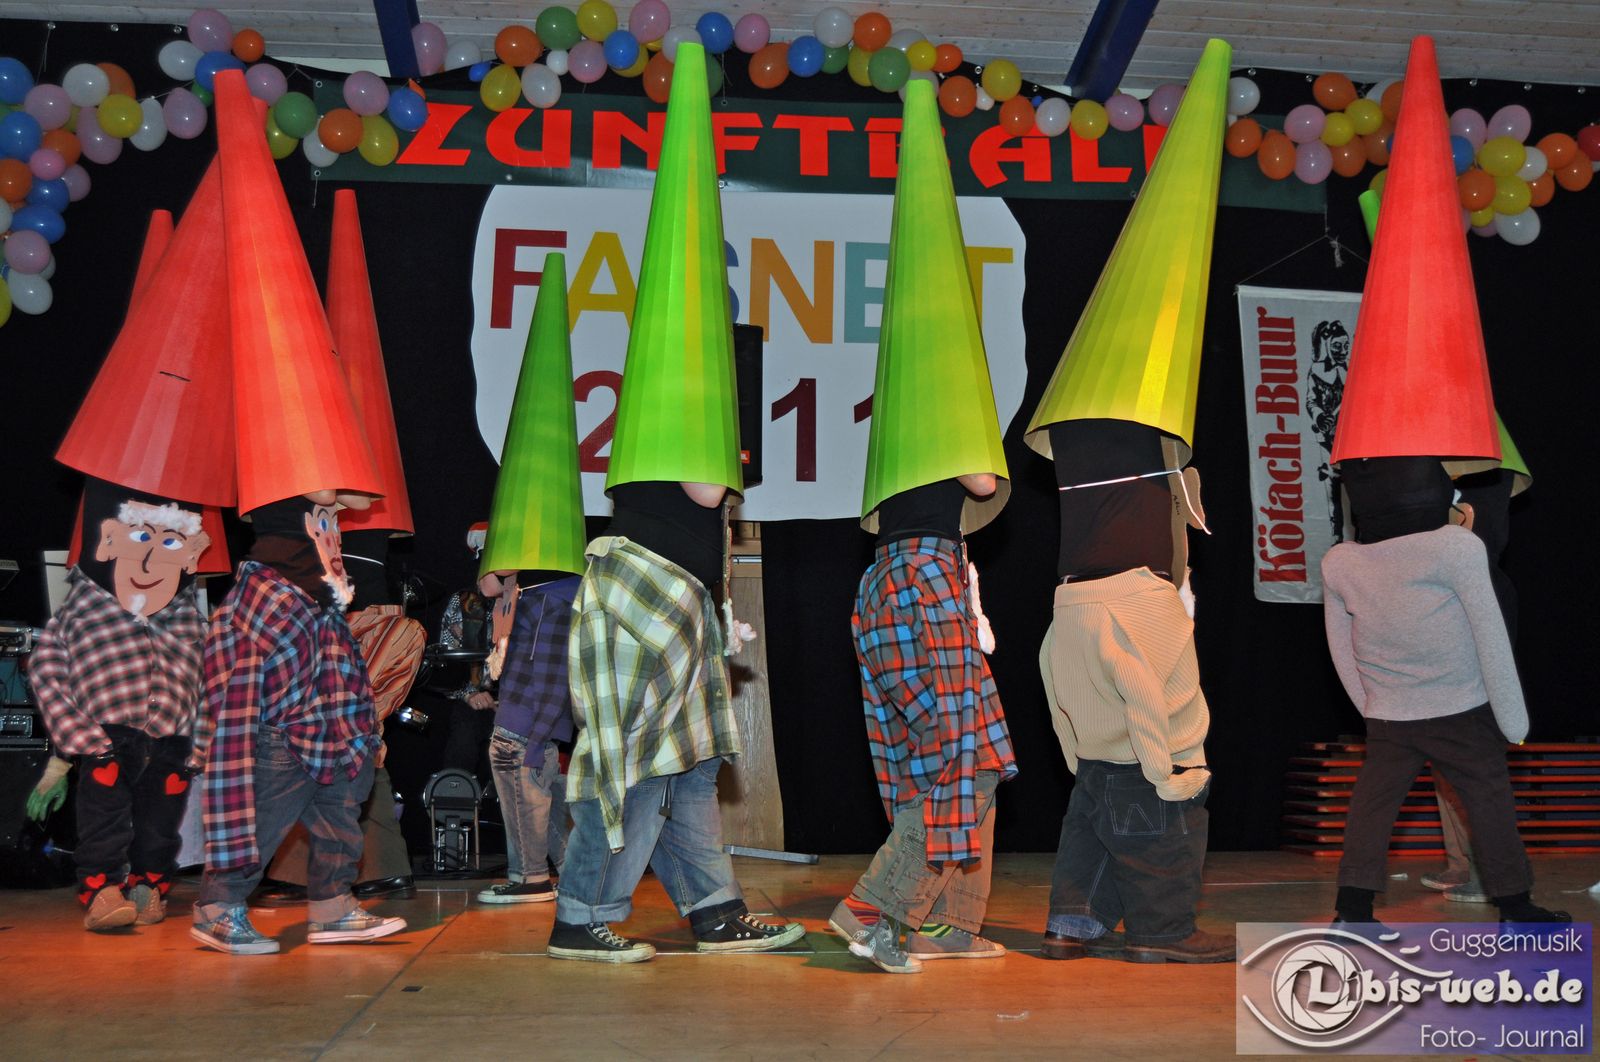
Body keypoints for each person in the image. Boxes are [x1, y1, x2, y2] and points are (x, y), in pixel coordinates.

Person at [548, 43, 802, 964]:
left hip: (673, 597)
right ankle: (581, 917)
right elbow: (708, 488)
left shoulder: (675, 405)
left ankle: (714, 911)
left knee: (687, 769)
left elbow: (711, 507)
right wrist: (730, 443)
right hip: (647, 597)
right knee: (638, 772)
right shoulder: (688, 408)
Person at [824, 78, 1016, 975]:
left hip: (887, 582)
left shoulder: (902, 412)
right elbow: (985, 478)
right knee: (959, 762)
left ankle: (944, 922)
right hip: (925, 578)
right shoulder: (944, 408)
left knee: (939, 762)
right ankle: (875, 909)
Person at [1323, 458, 1568, 929]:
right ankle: (1515, 908)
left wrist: (1370, 705)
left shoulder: (1341, 561)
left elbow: (1340, 648)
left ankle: (1352, 912)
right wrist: (1512, 719)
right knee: (1489, 801)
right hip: (1461, 710)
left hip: (1388, 714)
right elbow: (1490, 634)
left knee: (1373, 807)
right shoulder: (1455, 546)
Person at [30, 481, 212, 930]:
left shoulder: (187, 617)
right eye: (140, 539)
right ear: (110, 541)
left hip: (171, 742)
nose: (150, 561)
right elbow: (47, 670)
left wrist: (200, 743)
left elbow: (212, 683)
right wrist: (80, 737)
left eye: (169, 544)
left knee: (160, 827)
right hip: (107, 739)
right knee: (104, 821)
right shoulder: (83, 610)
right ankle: (102, 892)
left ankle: (149, 887)